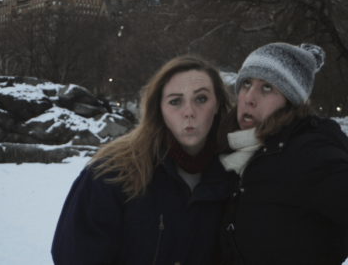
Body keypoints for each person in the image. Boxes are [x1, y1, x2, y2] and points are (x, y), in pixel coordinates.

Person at [51, 55, 234, 265]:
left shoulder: (236, 174)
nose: (189, 112)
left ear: (218, 104)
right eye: (175, 101)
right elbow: (76, 256)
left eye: (201, 99)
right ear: (159, 109)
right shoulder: (112, 172)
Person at [218, 43, 348, 265]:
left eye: (267, 87)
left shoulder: (309, 154)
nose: (249, 97)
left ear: (290, 102)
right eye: (246, 83)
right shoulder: (237, 151)